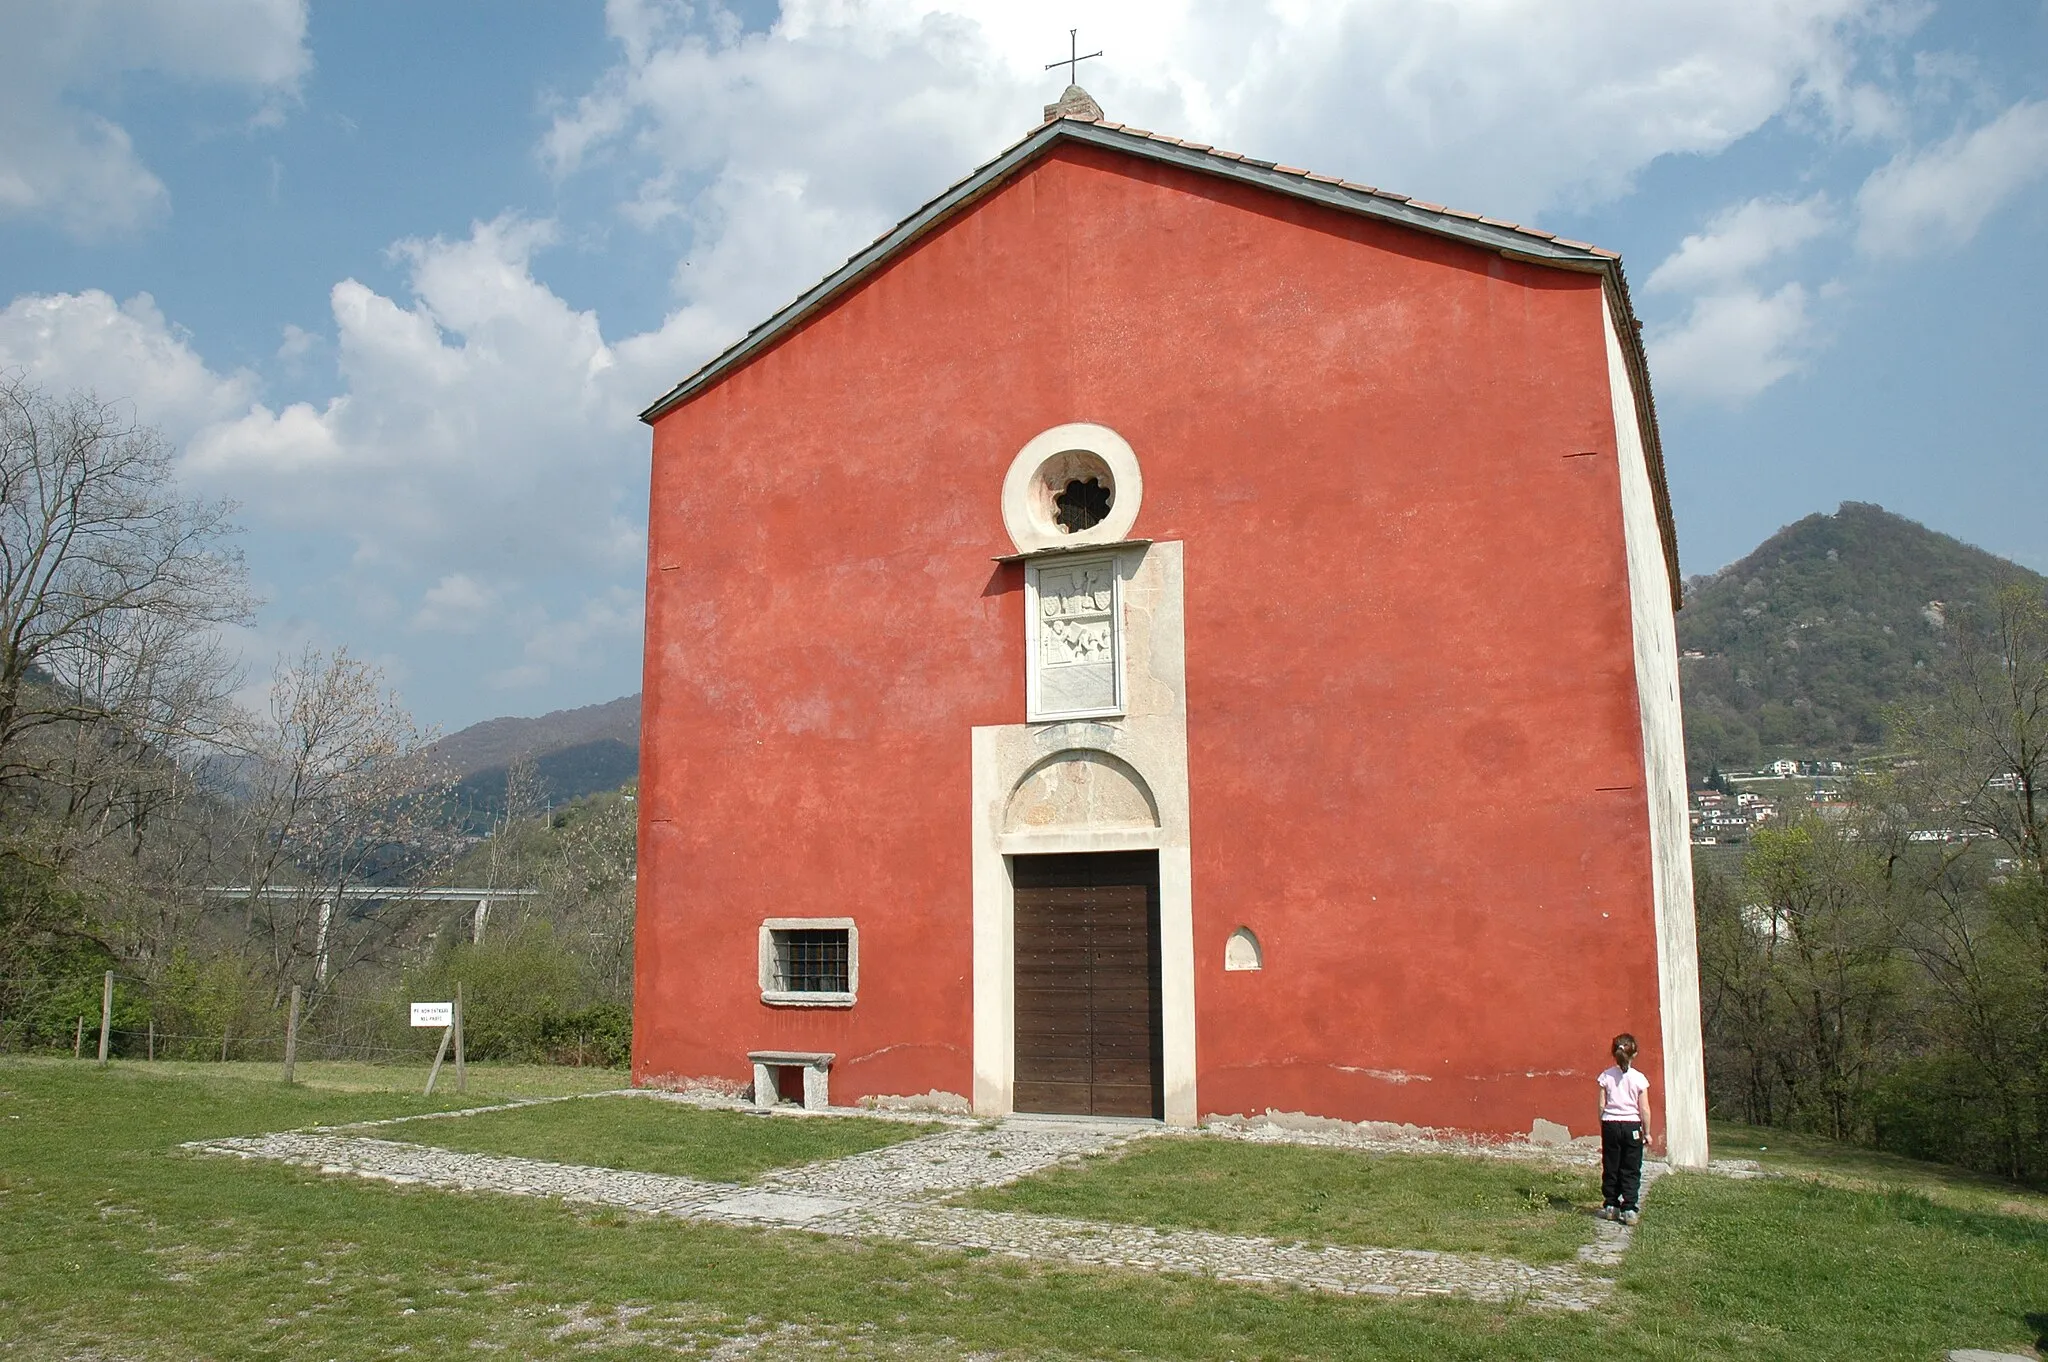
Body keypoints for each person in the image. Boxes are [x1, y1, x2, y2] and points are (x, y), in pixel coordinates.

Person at [1596, 1033, 1653, 1225]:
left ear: (1613, 1053)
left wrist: (1602, 1124)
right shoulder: (1639, 1079)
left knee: (1611, 1165)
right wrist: (1648, 1132)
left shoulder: (1606, 1076)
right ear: (1634, 1053)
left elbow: (1602, 1105)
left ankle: (1611, 1205)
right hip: (1631, 1125)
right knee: (1631, 1166)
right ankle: (1629, 1208)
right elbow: (1644, 1108)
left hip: (1611, 1124)